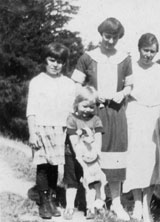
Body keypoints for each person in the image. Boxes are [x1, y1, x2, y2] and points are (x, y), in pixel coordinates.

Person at [70, 17, 133, 221]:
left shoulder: (124, 58)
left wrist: (122, 94)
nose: (111, 41)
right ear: (101, 35)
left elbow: (129, 86)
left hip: (116, 113)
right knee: (93, 157)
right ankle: (96, 201)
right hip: (93, 115)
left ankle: (115, 202)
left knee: (115, 157)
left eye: (115, 37)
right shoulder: (88, 57)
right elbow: (76, 84)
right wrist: (93, 95)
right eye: (107, 36)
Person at [124, 33, 160, 222]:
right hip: (134, 113)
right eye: (145, 50)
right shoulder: (130, 67)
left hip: (154, 118)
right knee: (135, 160)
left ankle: (147, 205)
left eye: (152, 51)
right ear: (139, 49)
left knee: (152, 162)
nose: (148, 55)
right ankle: (136, 203)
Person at [26, 42, 75, 219]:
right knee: (43, 166)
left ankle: (52, 198)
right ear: (45, 60)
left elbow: (70, 110)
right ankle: (44, 201)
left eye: (60, 62)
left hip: (60, 129)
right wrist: (32, 133)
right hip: (41, 128)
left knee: (55, 167)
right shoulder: (37, 81)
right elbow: (31, 110)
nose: (55, 65)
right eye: (52, 60)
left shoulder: (68, 84)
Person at [63, 86, 107, 220]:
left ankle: (91, 207)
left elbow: (98, 136)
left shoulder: (96, 119)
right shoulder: (71, 119)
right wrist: (79, 155)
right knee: (72, 182)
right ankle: (69, 206)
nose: (88, 110)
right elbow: (73, 140)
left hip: (91, 157)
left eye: (91, 107)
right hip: (74, 155)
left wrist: (96, 153)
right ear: (77, 104)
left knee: (92, 182)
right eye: (84, 106)